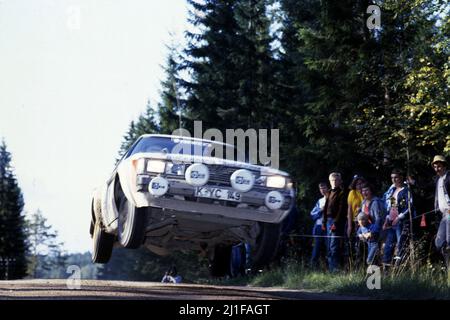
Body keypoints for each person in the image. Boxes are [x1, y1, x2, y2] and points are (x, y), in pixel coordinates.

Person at [382, 169, 414, 269]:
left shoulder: (406, 191)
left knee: (401, 245)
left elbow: (408, 207)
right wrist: (388, 218)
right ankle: (386, 268)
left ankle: (400, 268)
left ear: (401, 177)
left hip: (401, 222)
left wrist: (399, 218)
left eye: (396, 177)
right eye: (392, 177)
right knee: (389, 245)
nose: (394, 180)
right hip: (392, 222)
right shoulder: (393, 190)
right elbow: (392, 206)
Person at [322, 172, 348, 272]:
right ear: (330, 181)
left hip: (336, 221)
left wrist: (335, 223)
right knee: (328, 245)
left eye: (336, 180)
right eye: (332, 180)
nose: (334, 182)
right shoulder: (328, 192)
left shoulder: (342, 192)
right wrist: (324, 222)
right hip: (327, 221)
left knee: (334, 246)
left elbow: (341, 209)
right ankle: (330, 268)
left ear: (340, 181)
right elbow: (325, 208)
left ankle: (335, 269)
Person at [356, 183, 384, 266]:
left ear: (371, 191)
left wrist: (372, 233)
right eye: (363, 190)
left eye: (366, 190)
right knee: (368, 255)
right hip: (366, 234)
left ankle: (380, 274)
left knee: (375, 255)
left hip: (376, 232)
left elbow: (378, 220)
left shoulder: (376, 202)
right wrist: (360, 232)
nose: (364, 192)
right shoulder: (363, 202)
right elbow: (362, 219)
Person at [431, 155, 450, 269]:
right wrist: (413, 182)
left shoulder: (449, 177)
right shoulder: (438, 179)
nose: (437, 169)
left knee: (449, 242)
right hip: (443, 214)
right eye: (435, 167)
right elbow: (426, 187)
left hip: (449, 213)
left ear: (444, 166)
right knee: (439, 243)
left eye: (439, 166)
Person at [310, 182, 329, 267]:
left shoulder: (333, 199)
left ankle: (330, 268)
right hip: (319, 226)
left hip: (329, 226)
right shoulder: (320, 201)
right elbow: (312, 214)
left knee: (329, 248)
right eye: (321, 189)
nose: (322, 190)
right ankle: (313, 267)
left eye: (324, 188)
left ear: (328, 188)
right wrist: (321, 210)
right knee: (316, 248)